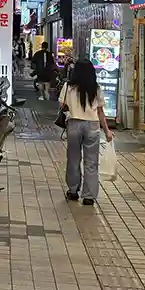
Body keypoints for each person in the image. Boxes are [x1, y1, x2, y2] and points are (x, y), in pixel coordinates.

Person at [59, 60, 114, 205]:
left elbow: (62, 105)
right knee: (91, 162)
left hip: (74, 124)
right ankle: (89, 196)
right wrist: (107, 131)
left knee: (73, 159)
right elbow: (101, 112)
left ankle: (73, 191)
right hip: (92, 126)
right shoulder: (96, 88)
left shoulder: (68, 86)